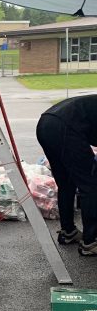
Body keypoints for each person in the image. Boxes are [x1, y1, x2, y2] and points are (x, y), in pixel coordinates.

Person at [36, 94, 97, 255]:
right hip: (65, 127)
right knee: (90, 184)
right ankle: (91, 242)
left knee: (67, 183)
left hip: (46, 124)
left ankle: (68, 232)